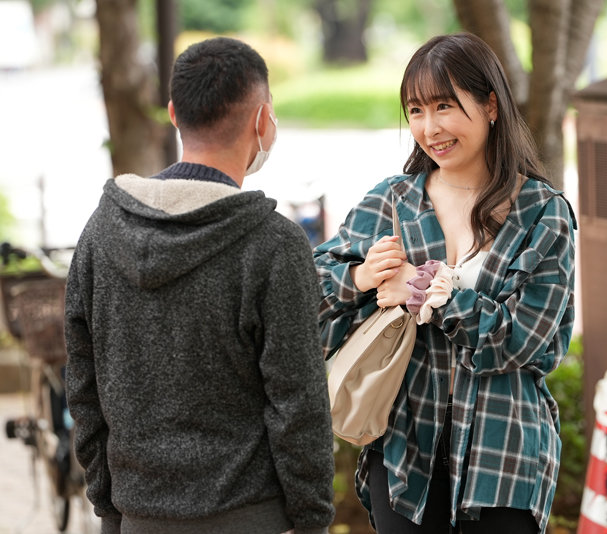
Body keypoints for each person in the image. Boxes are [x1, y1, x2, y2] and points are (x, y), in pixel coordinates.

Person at [64, 37, 335, 534]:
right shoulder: (273, 244)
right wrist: (312, 517)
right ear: (262, 122)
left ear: (172, 113)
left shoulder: (100, 232)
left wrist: (109, 505)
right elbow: (299, 404)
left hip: (137, 515)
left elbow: (83, 385)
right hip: (250, 515)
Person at [314, 33, 576, 533]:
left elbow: (524, 340)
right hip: (404, 449)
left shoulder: (543, 215)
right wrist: (362, 276)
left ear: (491, 105)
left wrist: (424, 292)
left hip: (502, 456)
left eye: (444, 106)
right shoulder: (392, 201)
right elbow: (307, 293)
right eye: (415, 111)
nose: (429, 128)